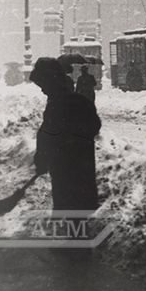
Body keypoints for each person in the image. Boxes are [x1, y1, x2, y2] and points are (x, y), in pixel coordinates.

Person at [30, 58, 101, 216]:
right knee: (75, 212)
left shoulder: (62, 104)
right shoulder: (75, 102)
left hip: (69, 170)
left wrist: (64, 144)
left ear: (51, 81)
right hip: (76, 169)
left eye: (43, 85)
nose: (42, 90)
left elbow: (48, 134)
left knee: (72, 210)